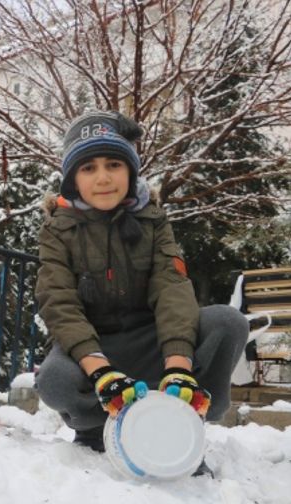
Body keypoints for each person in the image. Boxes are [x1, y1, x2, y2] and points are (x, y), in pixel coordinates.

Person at [34, 111, 248, 475]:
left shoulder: (154, 221)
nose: (102, 178)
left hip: (152, 342)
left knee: (228, 322)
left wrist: (179, 366)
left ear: (130, 171)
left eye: (113, 164)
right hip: (95, 347)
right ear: (72, 180)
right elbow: (60, 304)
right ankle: (94, 428)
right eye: (88, 168)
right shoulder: (58, 230)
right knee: (53, 379)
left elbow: (172, 289)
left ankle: (183, 419)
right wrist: (100, 372)